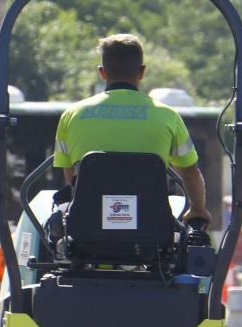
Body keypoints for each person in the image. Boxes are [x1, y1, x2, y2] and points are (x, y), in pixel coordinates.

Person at [54, 33, 209, 226]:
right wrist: (198, 210)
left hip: (87, 228)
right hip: (151, 229)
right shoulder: (168, 116)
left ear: (102, 73)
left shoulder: (71, 116)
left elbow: (72, 178)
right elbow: (190, 172)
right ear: (142, 72)